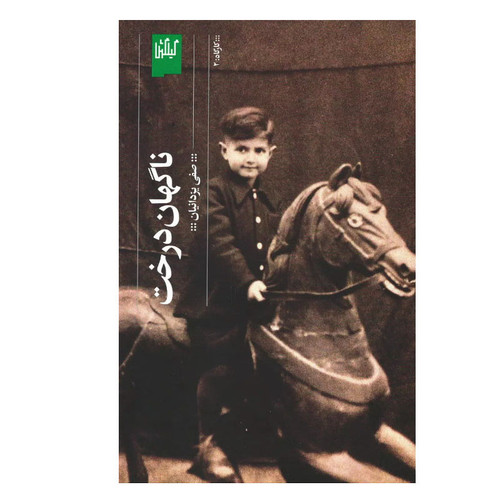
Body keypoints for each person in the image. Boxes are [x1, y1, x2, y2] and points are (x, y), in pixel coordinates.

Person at [174, 107, 281, 482]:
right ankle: (207, 446)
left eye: (258, 150)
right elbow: (220, 244)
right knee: (222, 364)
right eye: (241, 149)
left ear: (270, 154)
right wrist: (247, 282)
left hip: (254, 306)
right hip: (215, 305)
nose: (250, 158)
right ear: (224, 151)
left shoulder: (265, 200)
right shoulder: (213, 193)